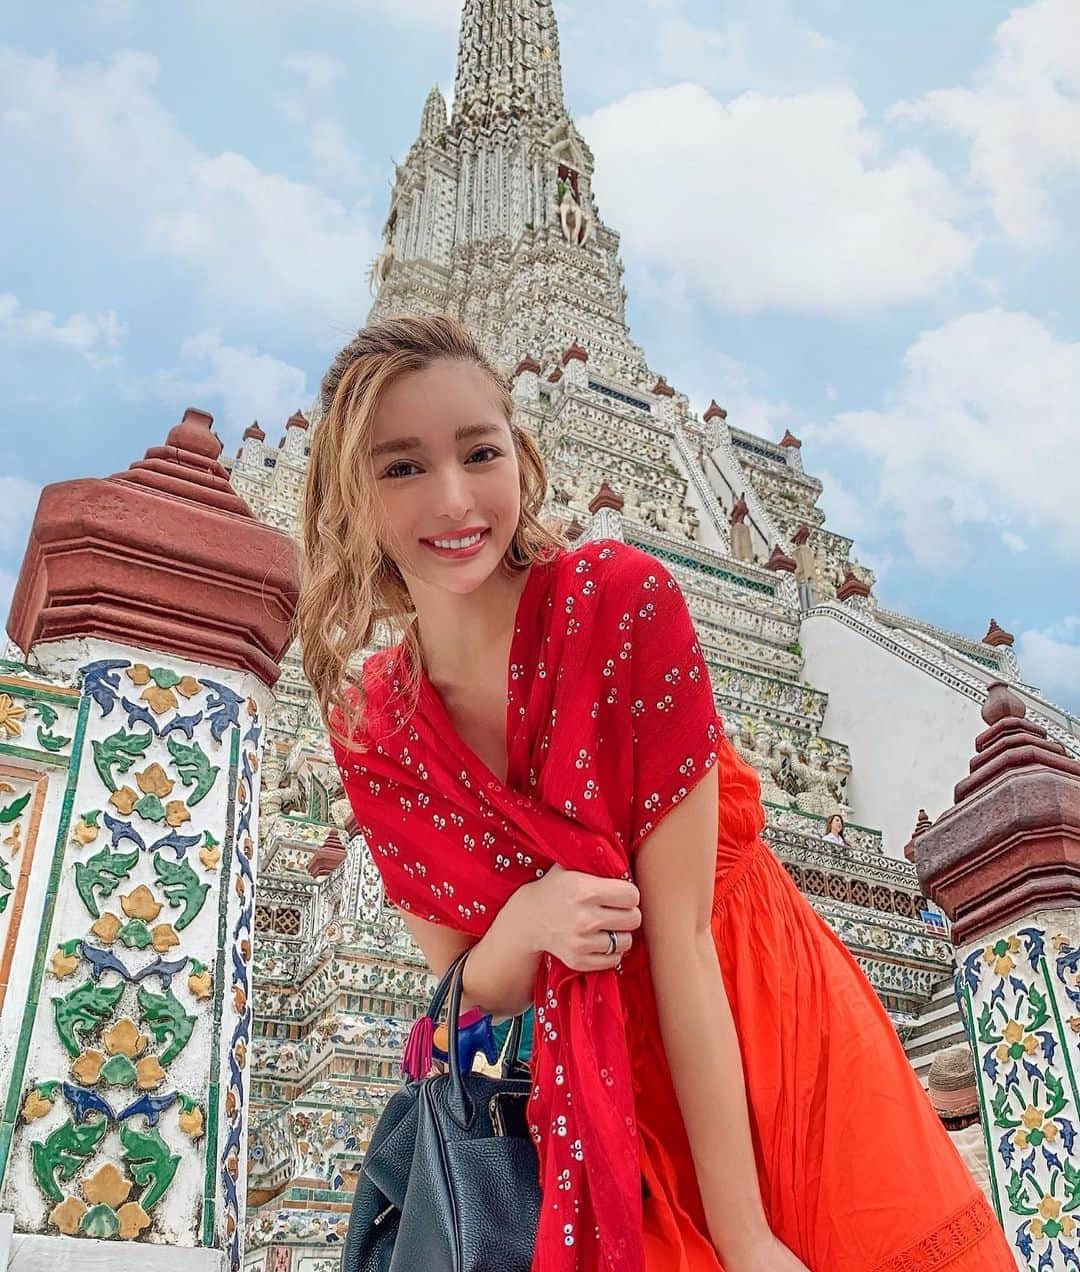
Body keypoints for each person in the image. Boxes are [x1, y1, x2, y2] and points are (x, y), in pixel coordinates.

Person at [298, 313, 1014, 1272]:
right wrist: (529, 924)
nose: (456, 496)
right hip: (575, 1087)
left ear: (523, 453)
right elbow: (465, 996)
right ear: (349, 496)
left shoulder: (621, 601)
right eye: (401, 468)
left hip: (756, 1020)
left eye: (480, 451)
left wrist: (747, 1234)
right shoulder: (377, 725)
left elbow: (675, 938)